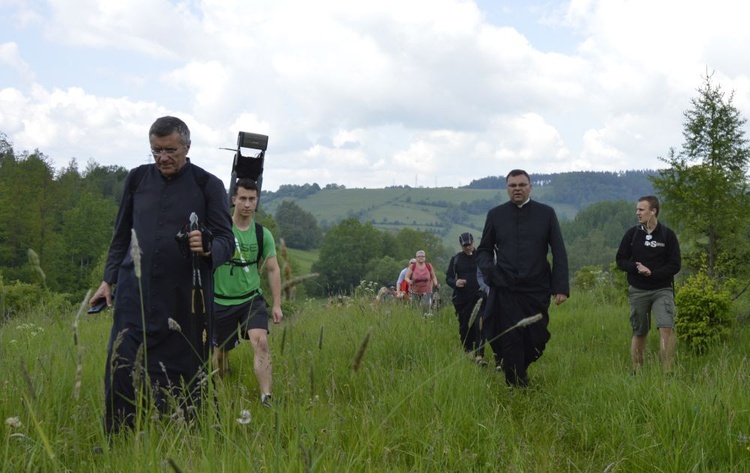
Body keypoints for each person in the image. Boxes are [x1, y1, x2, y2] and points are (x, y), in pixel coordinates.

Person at [90, 116, 234, 433]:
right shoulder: (137, 180)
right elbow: (120, 236)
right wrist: (107, 280)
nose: (163, 158)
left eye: (170, 150)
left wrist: (208, 245)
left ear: (187, 146)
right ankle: (119, 441)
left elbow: (228, 242)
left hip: (184, 300)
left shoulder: (207, 184)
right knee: (121, 367)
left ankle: (184, 438)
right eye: (156, 151)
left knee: (183, 372)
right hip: (133, 294)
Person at [476, 169, 569, 387]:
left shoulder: (546, 213)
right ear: (507, 188)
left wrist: (561, 286)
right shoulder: (496, 215)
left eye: (521, 184)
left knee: (535, 339)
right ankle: (515, 384)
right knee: (510, 338)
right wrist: (491, 273)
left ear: (530, 186)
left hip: (537, 288)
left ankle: (520, 370)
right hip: (505, 287)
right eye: (512, 185)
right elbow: (484, 250)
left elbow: (559, 250)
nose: (517, 189)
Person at [212, 178, 283, 407]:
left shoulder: (263, 235)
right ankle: (219, 392)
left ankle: (266, 397)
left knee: (261, 343)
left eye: (252, 199)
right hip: (220, 301)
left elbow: (273, 269)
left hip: (251, 299)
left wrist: (277, 304)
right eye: (242, 198)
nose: (247, 204)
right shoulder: (219, 230)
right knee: (221, 353)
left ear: (257, 201)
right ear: (233, 200)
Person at [615, 195, 681, 373]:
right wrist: (636, 267)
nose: (637, 213)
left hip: (662, 290)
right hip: (638, 290)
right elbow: (620, 260)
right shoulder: (632, 234)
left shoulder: (667, 235)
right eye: (637, 209)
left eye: (641, 209)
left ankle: (668, 372)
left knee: (666, 328)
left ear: (653, 212)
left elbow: (675, 264)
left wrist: (653, 273)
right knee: (640, 331)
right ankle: (636, 372)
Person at [446, 232, 487, 365]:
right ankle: (467, 350)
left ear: (473, 242)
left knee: (479, 325)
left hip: (480, 297)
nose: (467, 248)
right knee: (465, 327)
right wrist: (456, 283)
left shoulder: (481, 257)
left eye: (469, 245)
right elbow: (449, 278)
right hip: (462, 300)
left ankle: (479, 355)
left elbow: (489, 273)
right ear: (461, 245)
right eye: (465, 246)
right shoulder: (456, 259)